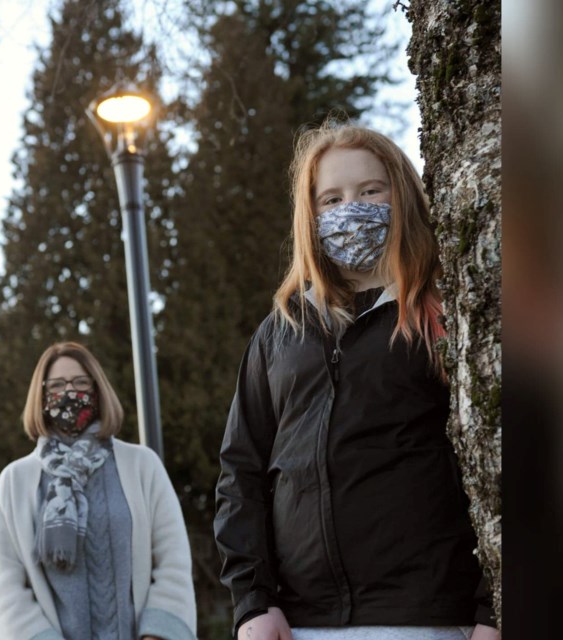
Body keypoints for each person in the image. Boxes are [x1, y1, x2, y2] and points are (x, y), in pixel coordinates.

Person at [214, 122, 500, 640]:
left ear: (402, 195)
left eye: (371, 191)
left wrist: (490, 612)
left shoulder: (444, 310)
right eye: (332, 198)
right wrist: (252, 602)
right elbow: (242, 470)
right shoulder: (282, 331)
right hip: (300, 622)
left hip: (424, 617)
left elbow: (500, 458)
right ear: (311, 215)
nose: (351, 208)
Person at [0, 342, 197, 640]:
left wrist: (158, 634)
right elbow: (6, 585)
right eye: (57, 385)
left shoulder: (142, 465)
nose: (70, 392)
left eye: (81, 382)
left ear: (97, 390)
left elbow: (172, 559)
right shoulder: (14, 482)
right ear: (42, 395)